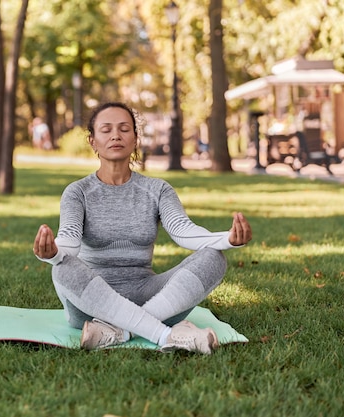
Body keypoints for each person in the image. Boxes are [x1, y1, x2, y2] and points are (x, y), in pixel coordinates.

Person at [33, 102, 252, 354]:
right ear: (93, 141)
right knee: (62, 267)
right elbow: (69, 241)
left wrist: (228, 239)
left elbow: (184, 232)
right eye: (106, 130)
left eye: (124, 129)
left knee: (214, 257)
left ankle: (118, 331)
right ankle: (163, 334)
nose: (116, 135)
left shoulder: (157, 190)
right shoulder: (77, 192)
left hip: (150, 297)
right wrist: (51, 252)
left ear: (135, 138)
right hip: (90, 304)